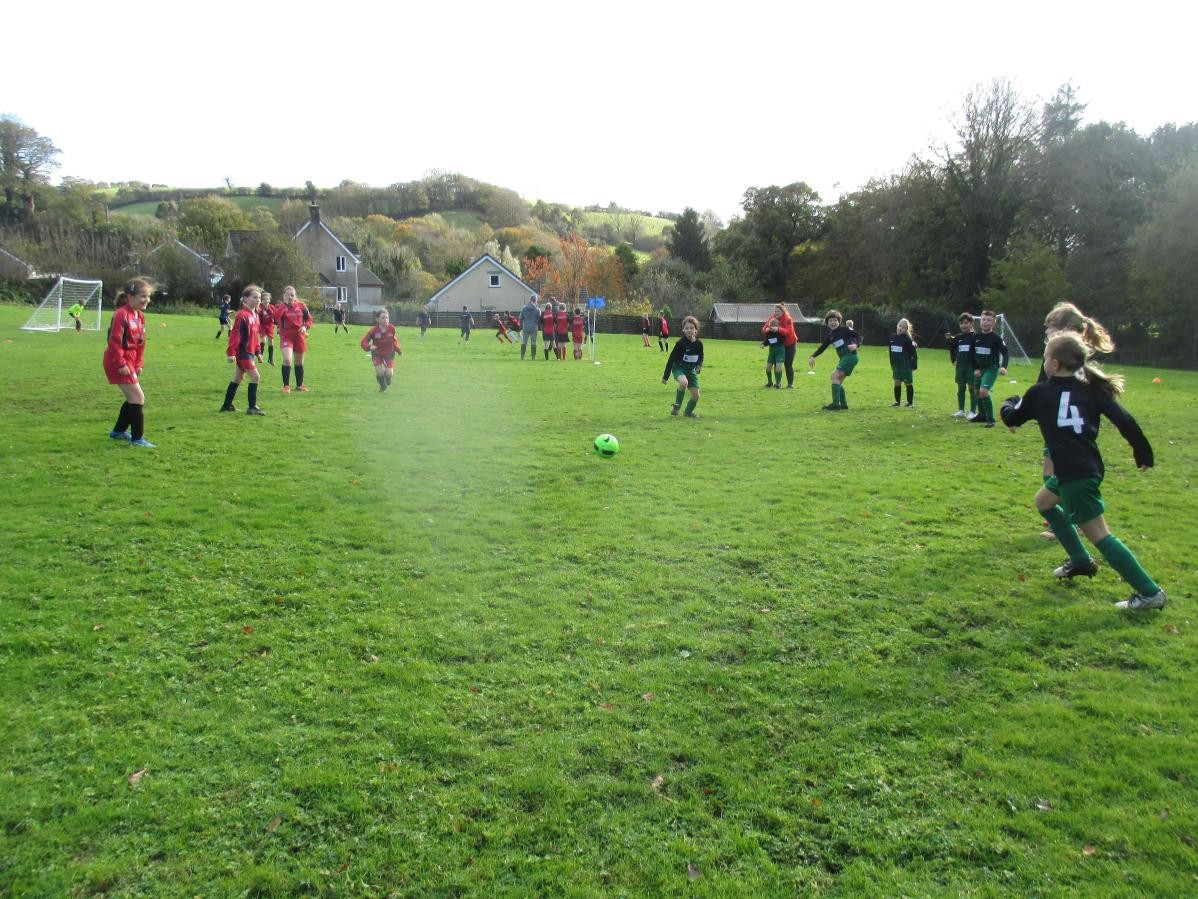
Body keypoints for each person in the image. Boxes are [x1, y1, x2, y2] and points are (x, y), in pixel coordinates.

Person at [1000, 332, 1165, 611]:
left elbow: (1012, 417)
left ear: (1054, 364)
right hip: (1085, 468)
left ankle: (1150, 593)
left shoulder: (1040, 393)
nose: (1044, 362)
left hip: (1075, 476)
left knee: (1100, 534)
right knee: (1044, 502)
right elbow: (1126, 421)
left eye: (1045, 357)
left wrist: (1008, 402)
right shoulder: (1092, 391)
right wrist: (1142, 451)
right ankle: (1079, 561)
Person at [1035, 302, 1118, 540]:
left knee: (1062, 472)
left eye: (1050, 327)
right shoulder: (1055, 355)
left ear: (1065, 330)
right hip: (1056, 424)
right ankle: (1066, 516)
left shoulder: (1073, 361)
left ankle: (1071, 519)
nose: (1047, 333)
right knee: (1051, 470)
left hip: (1069, 429)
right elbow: (1044, 384)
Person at [103, 278, 155, 447]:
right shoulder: (121, 314)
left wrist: (138, 363)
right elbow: (114, 342)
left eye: (148, 296)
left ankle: (118, 431)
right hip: (117, 361)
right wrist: (120, 364)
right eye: (142, 296)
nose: (146, 300)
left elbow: (141, 343)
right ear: (129, 297)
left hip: (130, 362)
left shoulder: (139, 316)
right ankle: (137, 438)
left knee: (133, 397)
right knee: (138, 397)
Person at [220, 284, 266, 415]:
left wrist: (258, 352)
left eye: (259, 298)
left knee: (237, 378)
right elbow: (236, 335)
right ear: (245, 299)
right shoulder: (242, 315)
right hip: (243, 353)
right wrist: (231, 353)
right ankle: (252, 408)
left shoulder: (255, 315)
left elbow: (255, 336)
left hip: (250, 352)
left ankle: (226, 405)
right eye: (254, 297)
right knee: (255, 377)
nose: (258, 300)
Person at [807, 309, 859, 411]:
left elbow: (859, 336)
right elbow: (822, 348)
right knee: (838, 380)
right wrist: (812, 356)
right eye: (830, 321)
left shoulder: (845, 329)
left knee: (834, 375)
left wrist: (856, 345)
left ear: (839, 321)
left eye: (835, 320)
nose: (833, 322)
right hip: (845, 358)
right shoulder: (830, 336)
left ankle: (836, 404)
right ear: (827, 323)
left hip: (850, 356)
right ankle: (843, 405)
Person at [969, 310, 1009, 427]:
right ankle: (981, 415)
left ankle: (991, 419)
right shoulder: (975, 337)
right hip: (979, 369)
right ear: (980, 321)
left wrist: (1003, 367)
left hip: (991, 368)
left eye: (989, 320)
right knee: (977, 392)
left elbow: (1005, 353)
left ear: (994, 323)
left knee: (983, 391)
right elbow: (971, 354)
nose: (985, 322)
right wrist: (975, 369)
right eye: (984, 319)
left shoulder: (996, 338)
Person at [662, 315, 704, 417]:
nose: (689, 330)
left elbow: (701, 357)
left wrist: (698, 366)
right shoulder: (680, 344)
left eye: (691, 328)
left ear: (696, 330)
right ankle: (677, 406)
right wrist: (665, 377)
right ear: (683, 330)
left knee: (696, 396)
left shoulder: (699, 344)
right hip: (679, 368)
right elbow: (671, 359)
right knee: (684, 382)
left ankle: (688, 412)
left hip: (691, 371)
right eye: (686, 328)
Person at [274, 285, 313, 393]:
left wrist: (305, 327)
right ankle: (286, 386)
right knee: (287, 360)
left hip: (299, 336)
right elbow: (275, 317)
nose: (290, 297)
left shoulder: (301, 305)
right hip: (286, 336)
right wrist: (284, 305)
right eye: (288, 295)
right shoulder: (281, 306)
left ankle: (299, 385)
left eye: (292, 295)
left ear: (295, 296)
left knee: (299, 362)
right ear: (284, 296)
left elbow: (309, 320)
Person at [361, 309, 403, 392]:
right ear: (377, 319)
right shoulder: (373, 331)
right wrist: (369, 347)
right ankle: (382, 386)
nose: (386, 320)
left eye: (387, 318)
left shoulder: (392, 328)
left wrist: (398, 350)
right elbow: (364, 342)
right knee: (379, 372)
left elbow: (394, 341)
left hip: (389, 353)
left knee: (389, 374)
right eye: (383, 318)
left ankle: (387, 378)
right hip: (377, 354)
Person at [947, 313, 978, 418]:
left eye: (966, 323)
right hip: (960, 367)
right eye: (961, 323)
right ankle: (961, 410)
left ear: (971, 323)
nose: (963, 325)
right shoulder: (958, 337)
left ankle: (973, 411)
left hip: (971, 367)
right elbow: (952, 348)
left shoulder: (975, 337)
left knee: (972, 388)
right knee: (961, 387)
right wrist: (953, 360)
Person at [888, 318, 919, 407]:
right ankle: (897, 402)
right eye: (899, 326)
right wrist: (891, 362)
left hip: (905, 366)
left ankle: (910, 403)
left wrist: (914, 365)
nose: (900, 328)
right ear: (897, 326)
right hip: (896, 365)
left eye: (903, 327)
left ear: (906, 330)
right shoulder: (892, 337)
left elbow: (913, 353)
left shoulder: (907, 340)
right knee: (897, 382)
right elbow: (890, 351)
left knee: (907, 383)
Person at [760, 314, 785, 389]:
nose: (771, 327)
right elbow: (768, 340)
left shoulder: (781, 333)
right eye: (771, 326)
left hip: (780, 352)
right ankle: (770, 382)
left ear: (777, 326)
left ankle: (778, 383)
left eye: (773, 326)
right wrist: (764, 344)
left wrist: (768, 342)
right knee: (767, 368)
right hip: (771, 352)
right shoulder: (769, 332)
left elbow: (779, 340)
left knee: (778, 368)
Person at [257, 291, 276, 366]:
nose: (266, 300)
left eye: (268, 299)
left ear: (269, 300)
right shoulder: (260, 307)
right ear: (262, 300)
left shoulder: (272, 307)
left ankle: (270, 359)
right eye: (265, 299)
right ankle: (260, 356)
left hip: (270, 325)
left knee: (271, 341)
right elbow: (257, 316)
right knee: (263, 340)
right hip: (262, 325)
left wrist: (278, 325)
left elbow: (276, 316)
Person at [519, 295, 540, 360]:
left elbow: (520, 318)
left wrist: (521, 326)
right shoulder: (537, 309)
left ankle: (522, 357)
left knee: (524, 341)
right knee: (533, 342)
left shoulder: (524, 308)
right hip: (534, 327)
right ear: (535, 300)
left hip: (525, 326)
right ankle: (533, 357)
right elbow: (539, 319)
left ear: (530, 299)